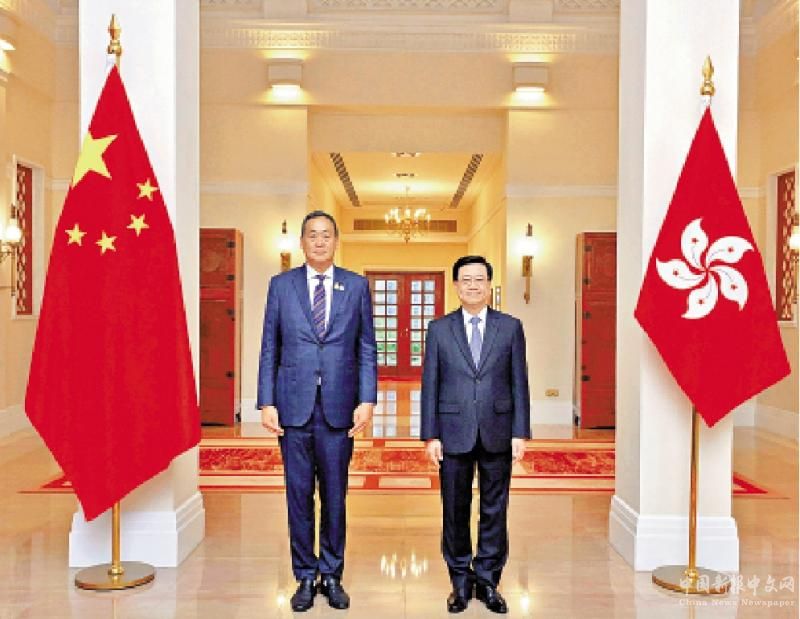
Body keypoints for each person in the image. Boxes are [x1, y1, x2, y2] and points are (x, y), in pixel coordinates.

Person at [257, 210, 377, 612]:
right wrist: (266, 401)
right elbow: (270, 347)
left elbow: (366, 347)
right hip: (292, 407)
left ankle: (332, 574)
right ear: (302, 242)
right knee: (298, 496)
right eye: (313, 235)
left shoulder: (356, 286)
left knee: (335, 496)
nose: (320, 241)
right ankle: (305, 576)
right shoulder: (281, 286)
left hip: (339, 409)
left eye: (327, 235)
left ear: (336, 241)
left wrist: (367, 400)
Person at [420, 255, 531, 614]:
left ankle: (487, 580)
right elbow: (430, 383)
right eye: (465, 280)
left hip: (499, 429)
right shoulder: (439, 329)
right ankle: (459, 581)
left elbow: (519, 382)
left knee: (495, 509)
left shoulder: (510, 327)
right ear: (456, 285)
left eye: (479, 279)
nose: (472, 285)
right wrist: (430, 435)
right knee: (455, 509)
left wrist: (520, 431)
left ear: (489, 284)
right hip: (452, 431)